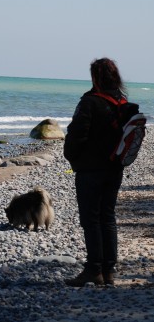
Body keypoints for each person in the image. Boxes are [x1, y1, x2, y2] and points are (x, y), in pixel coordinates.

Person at [64, 57, 128, 287]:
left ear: (95, 77)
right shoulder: (122, 101)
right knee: (107, 216)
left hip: (91, 169)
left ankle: (93, 269)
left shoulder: (90, 102)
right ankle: (108, 270)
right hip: (115, 167)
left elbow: (76, 137)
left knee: (91, 219)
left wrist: (72, 158)